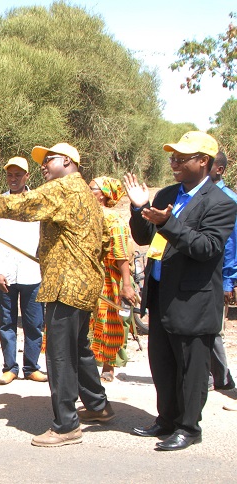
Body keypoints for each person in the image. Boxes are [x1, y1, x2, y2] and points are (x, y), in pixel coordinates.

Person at [0, 143, 113, 447]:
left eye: (47, 160)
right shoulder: (87, 195)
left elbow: (22, 204)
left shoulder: (62, 188)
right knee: (79, 348)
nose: (43, 166)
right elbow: (102, 240)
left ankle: (66, 425)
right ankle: (99, 406)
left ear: (67, 161)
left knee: (60, 356)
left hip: (67, 284)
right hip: (85, 283)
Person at [124, 131, 237, 451]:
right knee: (162, 363)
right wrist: (139, 208)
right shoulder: (168, 193)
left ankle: (189, 427)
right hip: (161, 294)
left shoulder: (221, 203)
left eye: (181, 158)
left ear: (203, 162)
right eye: (172, 156)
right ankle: (167, 419)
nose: (173, 162)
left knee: (191, 368)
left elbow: (207, 247)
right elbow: (146, 237)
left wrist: (169, 223)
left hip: (194, 299)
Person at [0, 156, 46, 385]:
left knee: (34, 323)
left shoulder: (37, 202)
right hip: (5, 275)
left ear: (27, 176)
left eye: (18, 175)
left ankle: (31, 367)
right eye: (10, 174)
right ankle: (10, 367)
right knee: (6, 323)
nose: (13, 179)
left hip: (33, 273)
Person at [88, 176, 135, 382]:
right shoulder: (85, 215)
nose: (88, 191)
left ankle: (109, 365)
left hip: (110, 279)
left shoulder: (113, 220)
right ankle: (88, 364)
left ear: (103, 195)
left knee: (110, 323)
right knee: (89, 323)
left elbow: (121, 254)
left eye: (92, 189)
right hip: (88, 276)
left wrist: (126, 285)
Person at [208, 151, 236, 392]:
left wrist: (228, 280)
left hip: (219, 275)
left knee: (213, 328)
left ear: (220, 170)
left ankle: (222, 378)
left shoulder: (228, 200)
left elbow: (232, 245)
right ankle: (216, 377)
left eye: (210, 165)